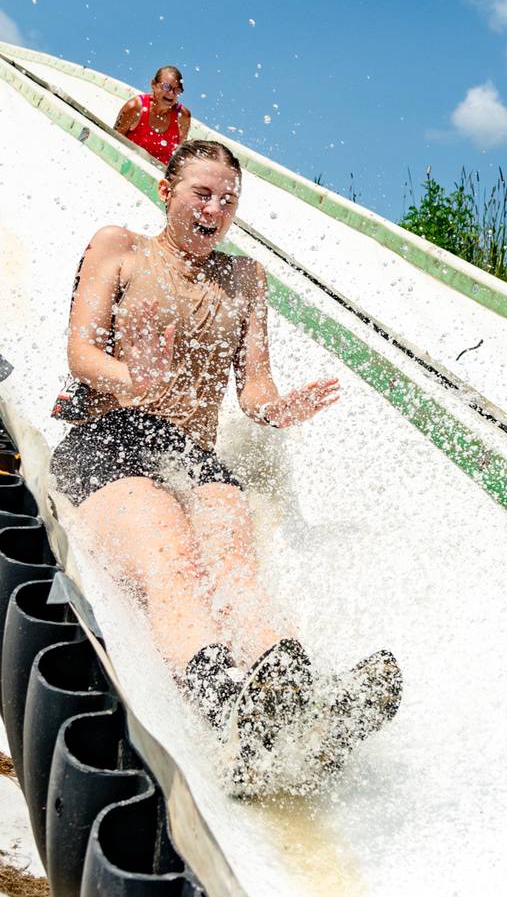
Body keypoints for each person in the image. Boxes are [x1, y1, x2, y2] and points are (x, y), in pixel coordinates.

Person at [50, 139, 400, 784]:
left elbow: (254, 386)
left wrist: (276, 409)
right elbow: (81, 352)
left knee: (236, 565)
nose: (215, 208)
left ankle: (301, 697)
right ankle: (227, 710)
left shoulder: (245, 277)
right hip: (112, 437)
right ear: (167, 191)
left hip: (192, 453)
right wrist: (127, 376)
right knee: (172, 550)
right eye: (201, 194)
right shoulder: (119, 248)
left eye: (228, 198)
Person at [115, 66, 192, 162]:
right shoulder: (135, 107)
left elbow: (179, 157)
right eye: (166, 87)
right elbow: (114, 140)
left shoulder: (183, 116)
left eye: (177, 90)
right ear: (153, 85)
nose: (171, 93)